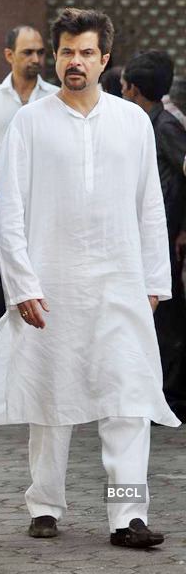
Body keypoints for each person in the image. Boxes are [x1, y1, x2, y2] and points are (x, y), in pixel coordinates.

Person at [0, 8, 180, 549]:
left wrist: (153, 282)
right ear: (56, 57)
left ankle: (127, 515)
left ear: (104, 59)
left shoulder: (132, 122)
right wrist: (23, 285)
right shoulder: (30, 121)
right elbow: (12, 212)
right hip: (51, 286)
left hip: (121, 282)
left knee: (126, 401)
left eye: (85, 53)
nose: (74, 62)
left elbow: (151, 205)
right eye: (66, 52)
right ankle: (46, 504)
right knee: (50, 400)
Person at [0, 25, 59, 337]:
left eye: (40, 52)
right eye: (27, 52)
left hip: (46, 207)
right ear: (9, 55)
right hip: (0, 208)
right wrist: (1, 191)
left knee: (45, 282)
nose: (36, 58)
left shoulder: (55, 98)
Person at [122, 51, 186, 422]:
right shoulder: (149, 123)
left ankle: (172, 397)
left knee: (168, 318)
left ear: (133, 90)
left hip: (164, 237)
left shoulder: (162, 126)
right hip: (155, 236)